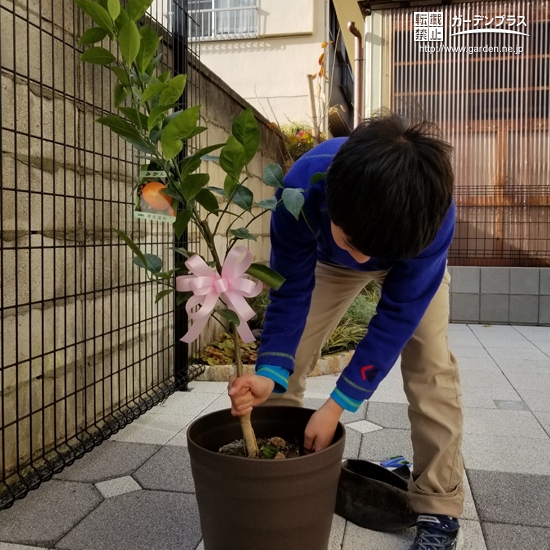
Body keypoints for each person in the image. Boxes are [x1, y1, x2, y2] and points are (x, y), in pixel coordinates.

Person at [228, 112, 464, 550]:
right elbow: (290, 290)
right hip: (325, 260)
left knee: (431, 372)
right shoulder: (303, 186)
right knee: (286, 361)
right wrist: (266, 371)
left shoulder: (432, 216)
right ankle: (278, 475)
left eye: (368, 252)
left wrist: (337, 404)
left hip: (409, 260)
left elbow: (397, 317)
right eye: (354, 242)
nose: (362, 261)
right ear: (332, 197)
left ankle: (438, 506)